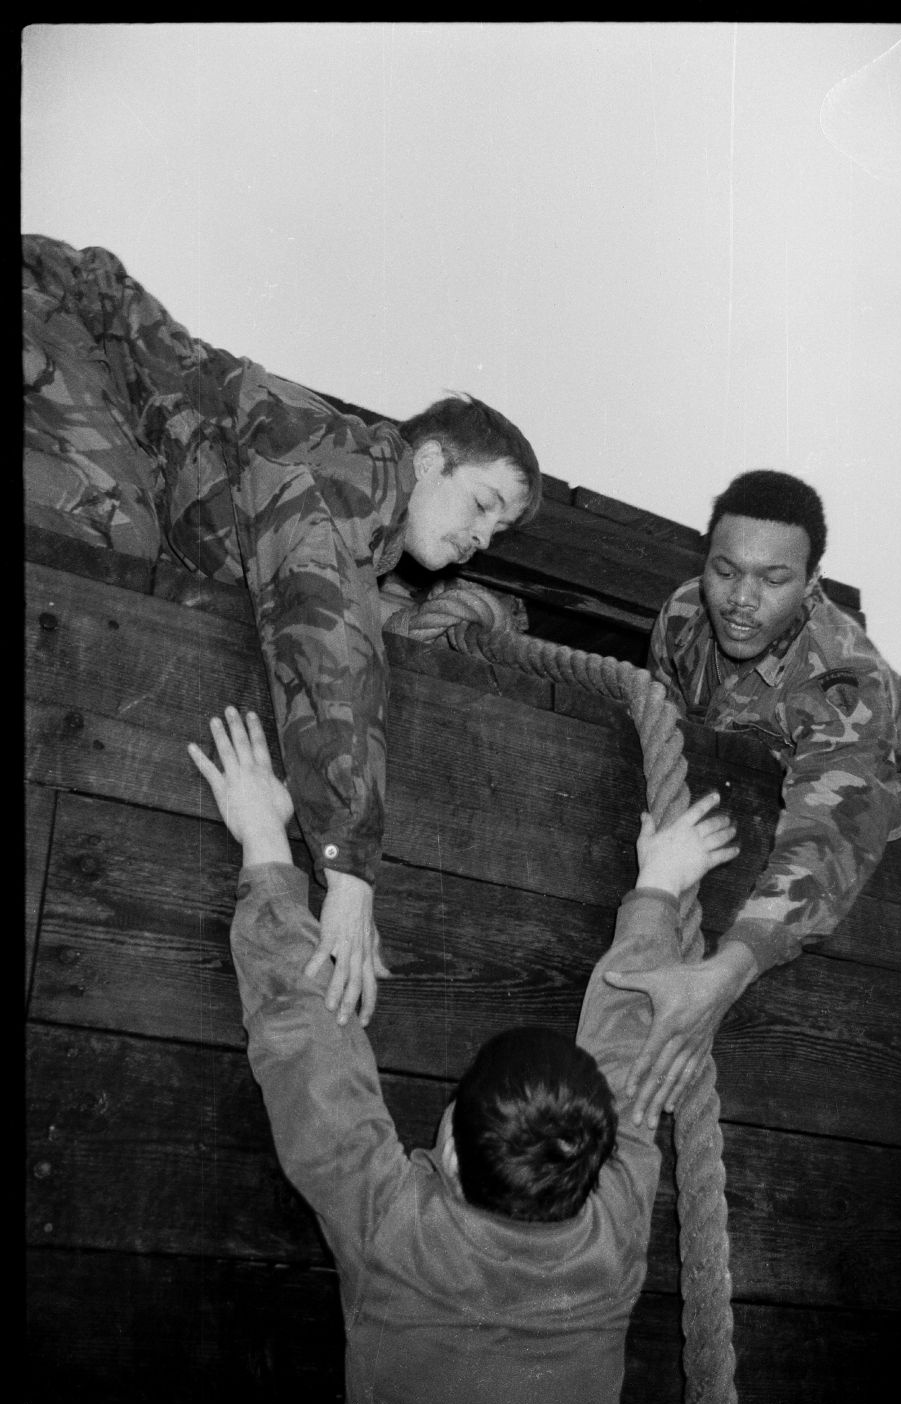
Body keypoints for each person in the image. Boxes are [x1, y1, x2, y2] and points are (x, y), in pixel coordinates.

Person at [187, 704, 739, 1404]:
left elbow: (307, 1054)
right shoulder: (612, 1233)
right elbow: (630, 1069)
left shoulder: (398, 1235)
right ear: (593, 1159)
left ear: (446, 1147)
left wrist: (266, 844)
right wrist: (657, 887)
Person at [24, 233, 541, 1026]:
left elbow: (353, 608)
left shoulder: (355, 524)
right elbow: (324, 630)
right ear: (430, 459)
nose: (481, 538)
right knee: (106, 533)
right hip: (59, 308)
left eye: (499, 533)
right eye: (482, 505)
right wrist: (349, 870)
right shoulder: (361, 472)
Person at [609, 469, 901, 1127]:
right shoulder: (680, 618)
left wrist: (724, 973)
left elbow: (822, 846)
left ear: (810, 582)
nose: (739, 599)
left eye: (772, 579)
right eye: (724, 571)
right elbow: (675, 740)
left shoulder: (846, 686)